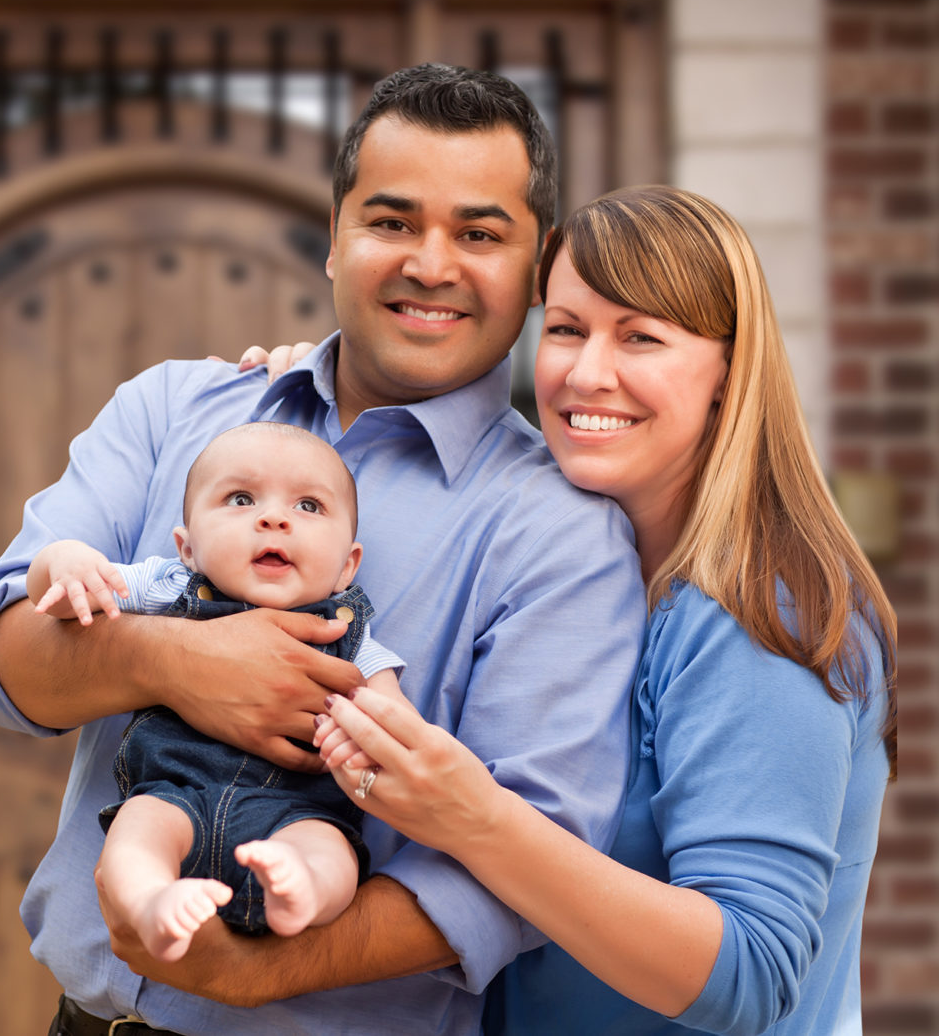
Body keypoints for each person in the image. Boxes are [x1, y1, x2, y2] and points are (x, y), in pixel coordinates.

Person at [0, 62, 647, 1035]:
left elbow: (530, 865)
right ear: (334, 237)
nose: (430, 264)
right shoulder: (173, 411)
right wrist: (175, 659)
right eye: (392, 222)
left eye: (479, 233)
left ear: (536, 269)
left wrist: (259, 972)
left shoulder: (563, 536)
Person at [308, 184, 897, 1036]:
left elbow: (753, 970)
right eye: (567, 329)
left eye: (642, 338)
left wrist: (474, 816)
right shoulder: (590, 572)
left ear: (729, 374)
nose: (587, 373)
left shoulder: (760, 609)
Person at [28, 422, 406, 964]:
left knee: (333, 855)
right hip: (173, 794)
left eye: (309, 507)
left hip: (297, 812)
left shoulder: (350, 632)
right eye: (241, 498)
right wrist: (62, 562)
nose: (273, 518)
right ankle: (152, 901)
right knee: (135, 836)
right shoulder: (167, 587)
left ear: (347, 565)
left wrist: (372, 738)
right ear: (187, 547)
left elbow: (393, 722)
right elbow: (61, 599)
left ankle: (301, 891)